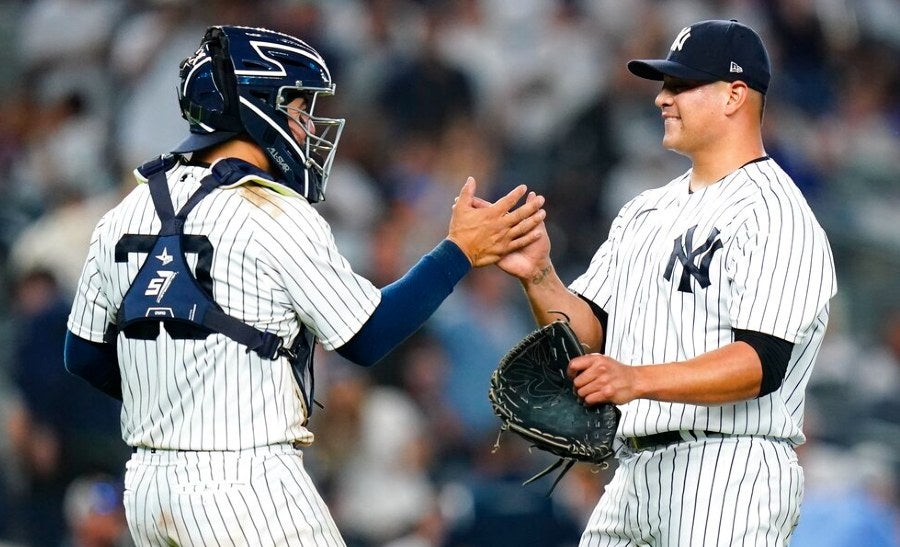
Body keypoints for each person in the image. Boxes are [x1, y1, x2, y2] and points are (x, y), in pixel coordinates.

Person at [63, 25, 545, 546]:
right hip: (245, 483)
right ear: (257, 107)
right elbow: (366, 337)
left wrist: (177, 398)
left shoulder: (123, 212)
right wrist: (457, 253)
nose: (308, 124)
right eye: (297, 107)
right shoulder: (271, 210)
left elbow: (83, 355)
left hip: (148, 488)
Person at [491, 19, 837, 545]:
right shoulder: (644, 211)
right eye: (663, 85)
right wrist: (540, 277)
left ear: (734, 96)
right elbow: (588, 337)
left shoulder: (775, 212)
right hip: (632, 473)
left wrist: (635, 380)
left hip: (728, 470)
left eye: (681, 85)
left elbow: (761, 363)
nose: (662, 99)